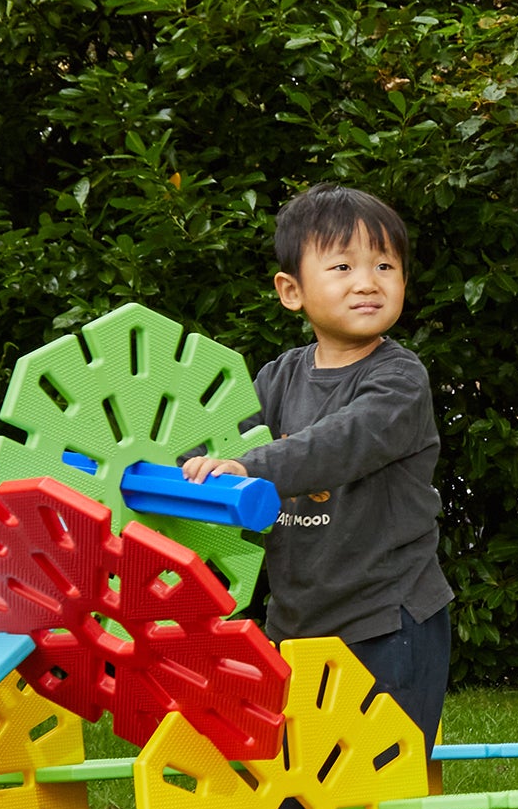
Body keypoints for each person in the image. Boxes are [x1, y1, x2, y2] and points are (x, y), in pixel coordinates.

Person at [182, 183, 454, 750]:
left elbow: (337, 444)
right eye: (342, 265)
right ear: (291, 290)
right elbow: (221, 442)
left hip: (387, 618)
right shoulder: (278, 378)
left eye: (385, 264)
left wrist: (246, 466)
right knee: (297, 781)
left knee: (376, 778)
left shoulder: (400, 380)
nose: (367, 281)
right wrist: (193, 466)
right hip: (298, 619)